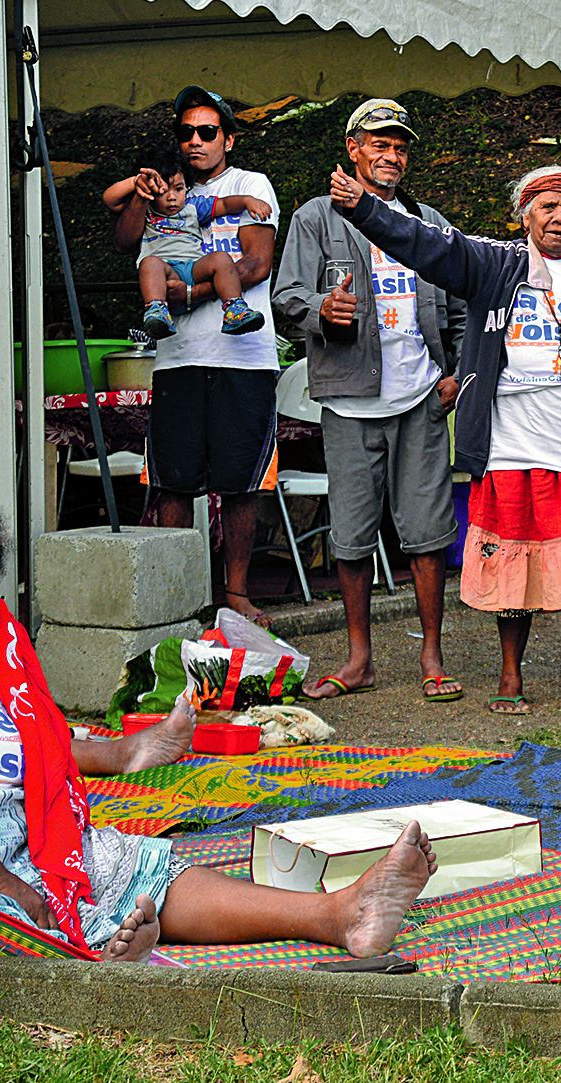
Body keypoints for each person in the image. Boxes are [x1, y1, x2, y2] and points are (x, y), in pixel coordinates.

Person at [0, 487, 436, 958]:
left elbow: (38, 758)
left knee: (129, 862)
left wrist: (30, 855)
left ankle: (338, 913)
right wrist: (2, 875)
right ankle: (94, 953)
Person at [327, 165, 561, 714]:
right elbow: (427, 245)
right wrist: (364, 209)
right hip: (514, 448)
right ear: (526, 216)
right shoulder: (494, 265)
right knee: (514, 565)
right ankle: (509, 677)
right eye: (547, 207)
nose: (559, 218)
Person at [272, 98, 467, 701]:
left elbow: (459, 303)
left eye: (400, 146)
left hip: (419, 397)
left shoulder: (426, 220)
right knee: (353, 535)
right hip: (350, 399)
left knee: (428, 532)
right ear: (353, 149)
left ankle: (432, 657)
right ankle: (360, 660)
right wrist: (319, 311)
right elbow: (285, 298)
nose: (391, 156)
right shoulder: (317, 217)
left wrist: (455, 372)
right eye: (379, 144)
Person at [110, 87, 281, 626]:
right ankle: (179, 593)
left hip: (243, 355)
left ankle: (235, 594)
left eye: (207, 132)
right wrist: (140, 194)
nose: (195, 141)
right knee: (173, 481)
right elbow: (124, 242)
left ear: (228, 138)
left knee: (240, 482)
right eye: (186, 132)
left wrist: (192, 294)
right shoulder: (161, 188)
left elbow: (256, 263)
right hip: (178, 356)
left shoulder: (249, 186)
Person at [102, 149, 271, 340]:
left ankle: (235, 309)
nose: (172, 197)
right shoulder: (145, 211)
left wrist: (248, 201)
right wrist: (136, 182)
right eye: (163, 191)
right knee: (149, 263)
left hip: (193, 270)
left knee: (221, 258)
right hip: (165, 276)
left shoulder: (193, 207)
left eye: (178, 189)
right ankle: (157, 310)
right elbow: (110, 198)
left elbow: (224, 205)